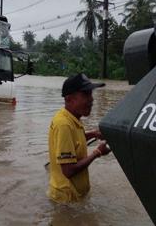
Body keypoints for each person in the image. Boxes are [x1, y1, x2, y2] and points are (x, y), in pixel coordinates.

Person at [47, 73, 111, 203]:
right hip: (67, 199)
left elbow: (73, 141)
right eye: (86, 95)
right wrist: (97, 153)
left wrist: (93, 134)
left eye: (91, 94)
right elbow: (68, 170)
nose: (91, 99)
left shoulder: (70, 118)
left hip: (73, 196)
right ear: (69, 99)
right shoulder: (64, 124)